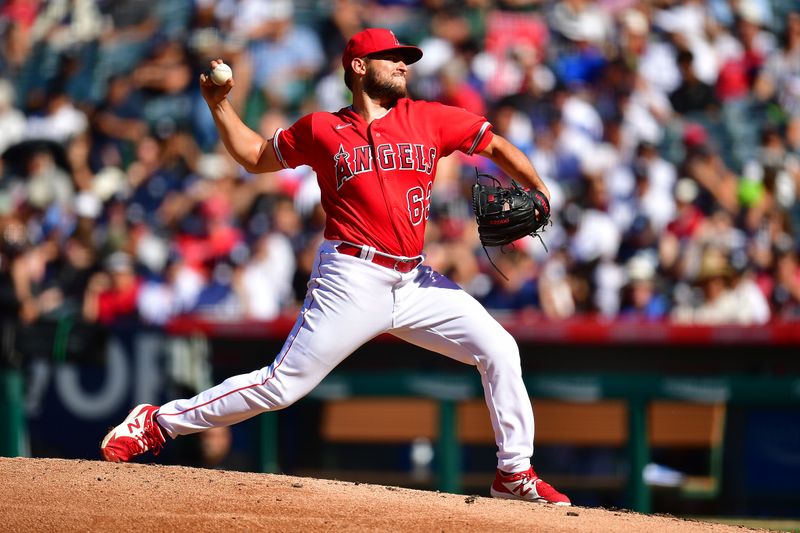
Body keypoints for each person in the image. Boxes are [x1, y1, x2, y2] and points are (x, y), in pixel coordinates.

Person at [100, 28, 570, 506]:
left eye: (404, 59)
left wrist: (540, 189)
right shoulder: (322, 129)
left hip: (414, 279)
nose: (403, 65)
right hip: (351, 276)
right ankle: (157, 422)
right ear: (359, 67)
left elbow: (494, 145)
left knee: (500, 349)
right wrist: (220, 105)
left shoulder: (427, 117)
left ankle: (513, 473)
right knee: (282, 385)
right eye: (391, 58)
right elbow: (254, 156)